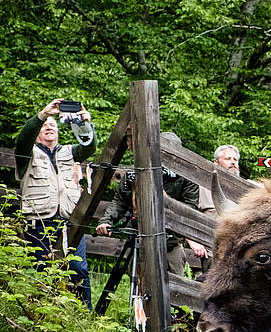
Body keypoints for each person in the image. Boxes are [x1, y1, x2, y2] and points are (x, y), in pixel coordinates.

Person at [14, 99, 97, 308]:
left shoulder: (70, 152)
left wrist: (85, 123)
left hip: (70, 222)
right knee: (43, 272)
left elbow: (89, 146)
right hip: (39, 222)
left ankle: (84, 316)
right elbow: (23, 139)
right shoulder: (28, 153)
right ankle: (44, 316)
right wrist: (43, 114)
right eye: (44, 126)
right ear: (37, 132)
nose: (49, 127)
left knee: (79, 270)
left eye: (53, 124)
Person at [95, 132, 209, 274]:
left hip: (171, 241)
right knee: (138, 284)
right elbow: (120, 201)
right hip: (140, 238)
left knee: (174, 287)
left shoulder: (186, 177)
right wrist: (107, 221)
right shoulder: (136, 172)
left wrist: (164, 198)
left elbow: (189, 209)